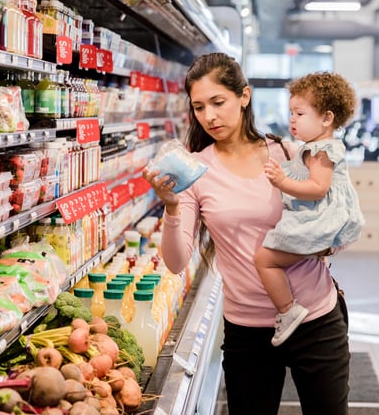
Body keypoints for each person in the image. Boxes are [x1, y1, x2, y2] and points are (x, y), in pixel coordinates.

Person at [143, 52, 351, 415]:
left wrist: (329, 244)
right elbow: (176, 263)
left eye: (218, 102)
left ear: (244, 96)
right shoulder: (195, 171)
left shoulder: (287, 152)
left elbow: (332, 214)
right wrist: (172, 206)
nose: (209, 116)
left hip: (314, 316)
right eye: (199, 107)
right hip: (248, 330)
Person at [254, 72, 364, 346]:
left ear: (327, 118)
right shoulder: (314, 146)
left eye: (299, 113)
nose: (292, 119)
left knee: (265, 259)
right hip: (323, 217)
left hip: (322, 219)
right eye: (291, 112)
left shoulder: (322, 151)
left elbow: (318, 188)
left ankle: (287, 310)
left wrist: (282, 181)